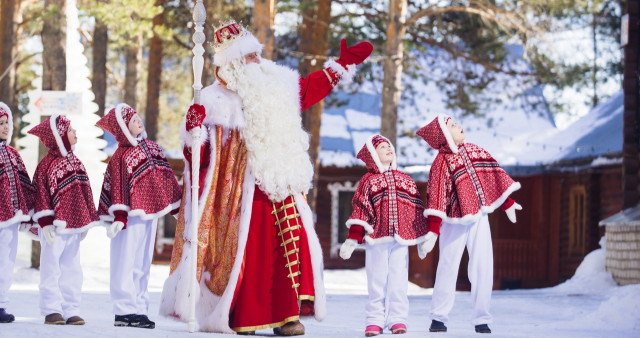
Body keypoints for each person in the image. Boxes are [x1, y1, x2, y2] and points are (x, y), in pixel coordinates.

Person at [160, 20, 372, 335]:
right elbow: (200, 161)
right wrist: (193, 133)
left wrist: (341, 66)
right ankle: (246, 317)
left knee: (292, 244)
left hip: (282, 180)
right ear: (232, 63)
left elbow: (309, 87)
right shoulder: (215, 99)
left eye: (257, 54)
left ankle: (288, 316)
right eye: (249, 57)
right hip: (242, 191)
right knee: (250, 252)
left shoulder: (277, 86)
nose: (257, 61)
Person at [416, 114, 523, 334]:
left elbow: (492, 175)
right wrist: (434, 230)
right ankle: (438, 317)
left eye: (457, 123)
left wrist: (508, 202)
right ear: (444, 135)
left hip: (478, 217)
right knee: (448, 264)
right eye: (453, 126)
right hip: (453, 220)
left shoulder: (475, 151)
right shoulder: (441, 162)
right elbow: (436, 196)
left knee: (483, 265)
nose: (459, 126)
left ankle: (482, 318)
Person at [339, 134, 436, 337]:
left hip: (401, 240)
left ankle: (397, 319)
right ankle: (374, 320)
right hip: (377, 238)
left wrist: (421, 238)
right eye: (383, 147)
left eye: (389, 146)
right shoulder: (368, 181)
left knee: (399, 280)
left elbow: (415, 208)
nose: (388, 149)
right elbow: (361, 209)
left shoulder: (405, 180)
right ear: (373, 155)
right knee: (377, 280)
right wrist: (352, 238)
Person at [96, 103, 182, 329]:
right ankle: (124, 310)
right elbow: (118, 187)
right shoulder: (120, 156)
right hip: (128, 218)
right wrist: (119, 216)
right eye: (132, 120)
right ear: (123, 128)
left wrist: (176, 207)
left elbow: (165, 177)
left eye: (137, 117)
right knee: (125, 260)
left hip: (149, 215)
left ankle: (140, 308)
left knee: (143, 263)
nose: (138, 121)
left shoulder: (152, 148)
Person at [29, 114, 100, 325]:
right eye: (70, 130)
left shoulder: (77, 163)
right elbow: (39, 193)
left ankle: (71, 309)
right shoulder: (46, 165)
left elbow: (84, 191)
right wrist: (44, 222)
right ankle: (51, 308)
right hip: (52, 226)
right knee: (51, 266)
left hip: (74, 226)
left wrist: (86, 220)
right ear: (58, 136)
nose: (75, 132)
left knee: (72, 267)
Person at [0, 102, 36, 323]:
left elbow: (25, 184)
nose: (5, 127)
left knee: (6, 261)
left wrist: (28, 212)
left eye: (7, 123)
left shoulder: (13, 155)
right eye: (0, 123)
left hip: (10, 219)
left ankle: (1, 304)